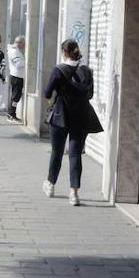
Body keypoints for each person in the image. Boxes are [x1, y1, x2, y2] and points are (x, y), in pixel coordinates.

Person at [42, 38, 103, 206]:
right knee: (75, 154)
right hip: (82, 117)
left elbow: (47, 93)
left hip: (61, 117)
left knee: (57, 151)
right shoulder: (86, 71)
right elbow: (89, 95)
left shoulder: (58, 70)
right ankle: (74, 193)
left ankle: (50, 184)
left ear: (64, 52)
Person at [6, 35, 26, 122]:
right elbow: (18, 64)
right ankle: (11, 114)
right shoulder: (14, 52)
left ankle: (11, 113)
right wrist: (26, 61)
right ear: (19, 43)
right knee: (15, 96)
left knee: (15, 96)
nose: (24, 46)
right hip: (17, 76)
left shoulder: (15, 51)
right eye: (23, 44)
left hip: (16, 75)